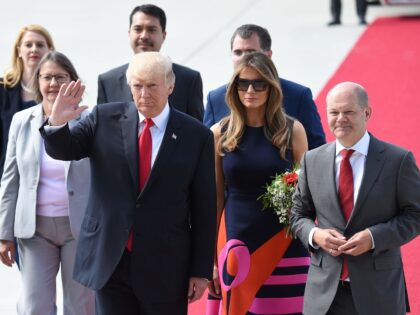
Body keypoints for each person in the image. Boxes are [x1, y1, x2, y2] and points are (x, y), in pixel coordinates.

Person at [40, 52, 217, 315]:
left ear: (170, 85)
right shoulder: (103, 118)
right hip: (111, 259)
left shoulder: (196, 135)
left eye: (152, 85)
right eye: (137, 86)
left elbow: (205, 207)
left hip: (165, 264)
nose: (144, 93)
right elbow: (66, 149)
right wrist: (56, 123)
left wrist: (200, 271)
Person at [290, 82, 420, 315]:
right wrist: (316, 234)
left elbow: (415, 215)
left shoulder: (397, 160)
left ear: (366, 112)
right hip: (324, 294)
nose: (341, 119)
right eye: (334, 112)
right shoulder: (312, 160)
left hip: (378, 292)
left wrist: (373, 237)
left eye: (348, 111)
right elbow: (298, 215)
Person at [207, 52, 310, 314]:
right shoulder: (220, 133)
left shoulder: (292, 130)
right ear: (234, 87)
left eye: (258, 83)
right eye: (243, 83)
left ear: (271, 87)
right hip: (237, 244)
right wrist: (209, 257)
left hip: (286, 241)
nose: (250, 90)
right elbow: (215, 197)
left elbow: (306, 192)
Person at [0, 51, 94, 315]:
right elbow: (11, 178)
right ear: (37, 81)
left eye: (60, 77)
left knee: (81, 305)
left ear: (72, 81)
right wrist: (4, 233)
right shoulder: (22, 120)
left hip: (78, 226)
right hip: (35, 228)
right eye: (47, 77)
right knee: (34, 306)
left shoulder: (88, 120)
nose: (53, 83)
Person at [203, 24, 326, 150]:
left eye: (251, 52)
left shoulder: (298, 96)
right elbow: (206, 151)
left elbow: (318, 149)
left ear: (269, 55)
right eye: (238, 52)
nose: (244, 58)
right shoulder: (216, 99)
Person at [97, 4, 204, 121]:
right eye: (138, 29)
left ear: (163, 35)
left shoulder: (189, 80)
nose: (144, 36)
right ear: (129, 34)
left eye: (151, 30)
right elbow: (102, 130)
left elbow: (197, 132)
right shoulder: (107, 81)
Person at [1, 24, 55, 180]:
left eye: (40, 45)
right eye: (28, 44)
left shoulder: (59, 89)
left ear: (49, 50)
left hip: (48, 176)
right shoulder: (3, 89)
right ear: (19, 50)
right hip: (8, 172)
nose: (34, 49)